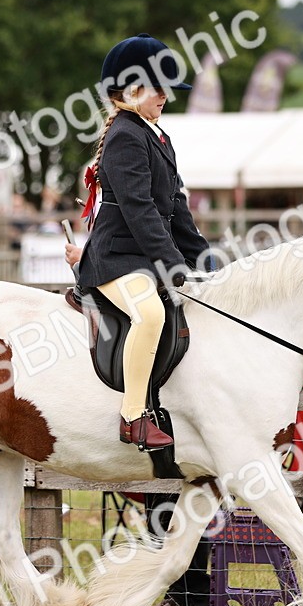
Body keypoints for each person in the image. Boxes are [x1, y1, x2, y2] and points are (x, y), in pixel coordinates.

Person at [73, 33, 211, 450]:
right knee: (149, 314)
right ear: (133, 89)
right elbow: (139, 211)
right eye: (160, 88)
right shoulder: (125, 136)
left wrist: (205, 261)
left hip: (141, 258)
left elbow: (175, 207)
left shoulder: (156, 135)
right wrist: (172, 263)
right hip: (114, 259)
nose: (167, 96)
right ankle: (133, 415)